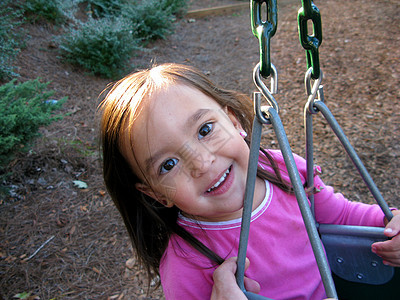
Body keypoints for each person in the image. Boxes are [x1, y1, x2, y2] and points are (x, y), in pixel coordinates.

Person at [98, 63, 400, 299]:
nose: (202, 163)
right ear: (155, 194)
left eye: (205, 130)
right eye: (169, 164)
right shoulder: (186, 264)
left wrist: (389, 226)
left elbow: (343, 216)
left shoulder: (283, 169)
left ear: (234, 121)